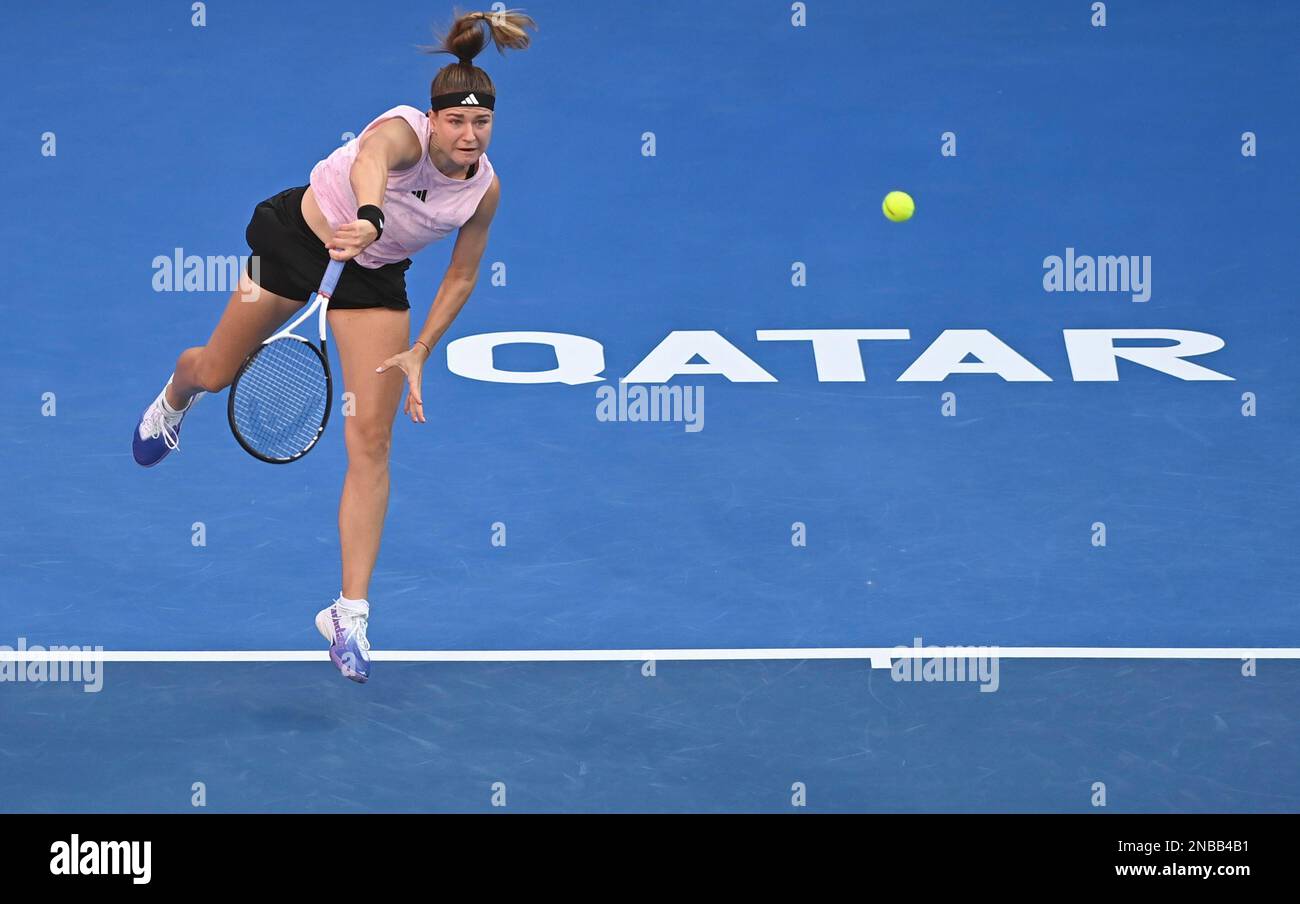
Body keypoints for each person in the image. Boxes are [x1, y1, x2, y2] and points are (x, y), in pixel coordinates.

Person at [130, 8, 538, 683]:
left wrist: (422, 350)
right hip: (299, 247)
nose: (469, 135)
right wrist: (371, 219)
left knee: (372, 443)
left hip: (372, 283)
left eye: (482, 123)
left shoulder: (485, 191)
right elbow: (374, 159)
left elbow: (463, 274)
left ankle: (350, 612)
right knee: (216, 370)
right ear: (433, 120)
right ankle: (175, 397)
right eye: (457, 121)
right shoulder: (402, 132)